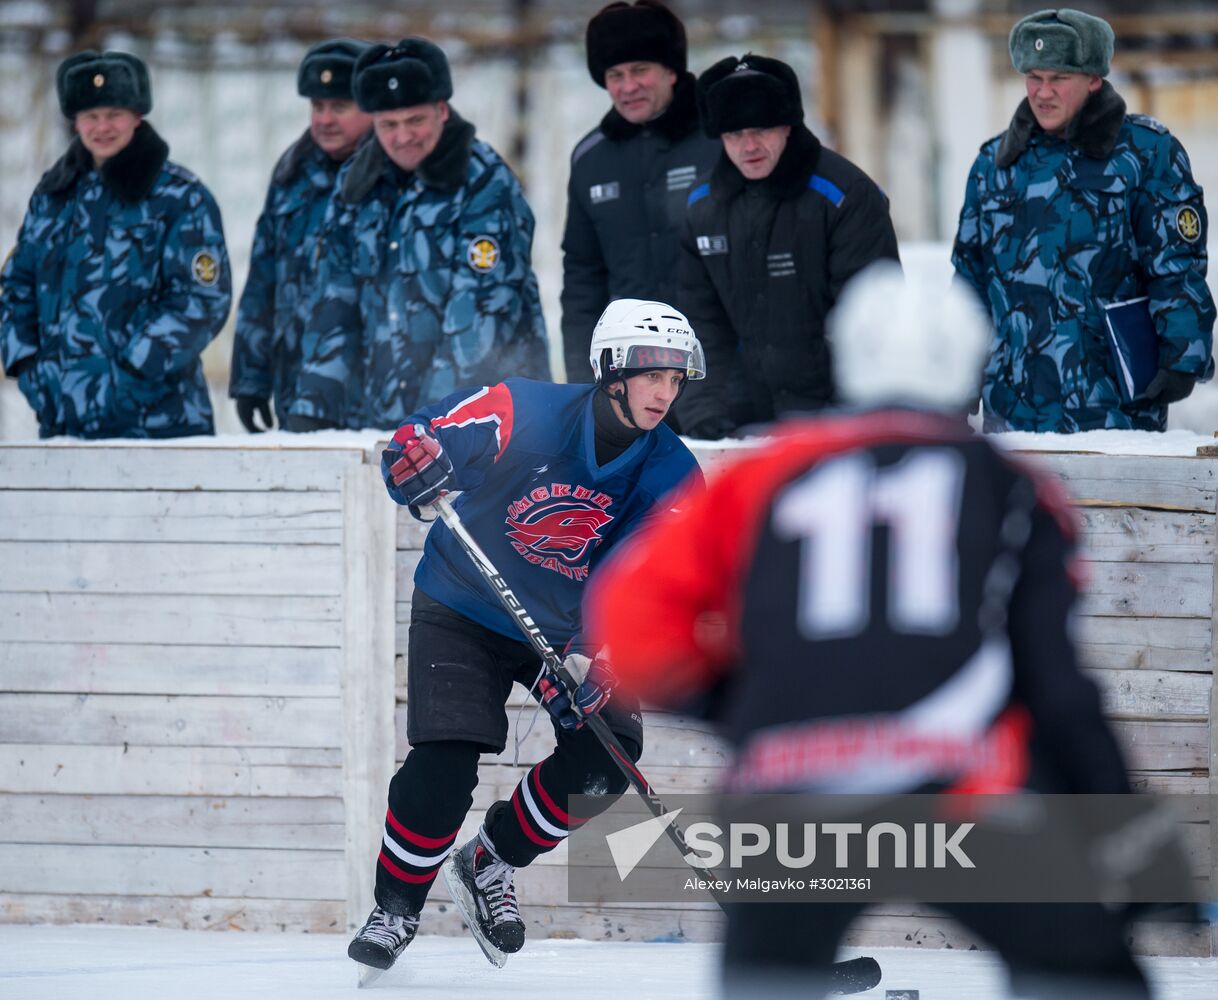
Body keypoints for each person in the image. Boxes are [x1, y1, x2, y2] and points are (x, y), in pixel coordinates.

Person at [587, 264, 1154, 999]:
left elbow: (630, 621)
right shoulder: (1013, 485)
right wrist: (1128, 837)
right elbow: (1058, 687)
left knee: (769, 981)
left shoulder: (766, 473)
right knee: (1091, 974)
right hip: (960, 790)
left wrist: (746, 711)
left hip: (789, 794)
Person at [345, 299, 705, 974]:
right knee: (446, 763)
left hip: (563, 631)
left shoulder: (673, 476)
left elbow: (659, 588)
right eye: (651, 373)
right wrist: (415, 461)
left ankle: (491, 859)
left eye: (676, 377)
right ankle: (396, 906)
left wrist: (606, 658)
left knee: (609, 757)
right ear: (612, 371)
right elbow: (425, 436)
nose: (665, 391)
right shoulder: (526, 410)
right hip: (465, 605)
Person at [952, 8, 1215, 433]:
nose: (1043, 92)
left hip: (1110, 408)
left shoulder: (1145, 153)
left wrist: (1184, 354)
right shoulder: (994, 164)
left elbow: (1175, 265)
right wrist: (957, 370)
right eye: (1034, 77)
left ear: (1094, 79)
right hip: (1011, 412)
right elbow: (969, 279)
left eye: (1058, 79)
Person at [291, 37, 550, 431]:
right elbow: (334, 303)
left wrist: (436, 422)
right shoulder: (357, 185)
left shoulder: (484, 184)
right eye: (388, 125)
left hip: (485, 425)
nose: (403, 137)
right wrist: (315, 403)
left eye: (415, 121)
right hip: (384, 426)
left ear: (442, 111)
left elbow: (478, 319)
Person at [0, 50, 231, 439]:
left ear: (137, 116)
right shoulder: (53, 196)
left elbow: (201, 301)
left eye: (114, 115)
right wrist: (27, 368)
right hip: (63, 425)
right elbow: (17, 285)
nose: (102, 127)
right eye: (91, 116)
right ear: (75, 122)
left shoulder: (179, 197)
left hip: (160, 426)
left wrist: (132, 374)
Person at [676, 53, 899, 441]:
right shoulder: (702, 207)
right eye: (733, 135)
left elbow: (873, 319)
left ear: (787, 126)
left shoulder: (845, 196)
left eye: (760, 129)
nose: (749, 146)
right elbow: (699, 324)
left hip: (835, 423)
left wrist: (854, 417)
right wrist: (703, 409)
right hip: (741, 426)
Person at [560, 0, 719, 392]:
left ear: (671, 70)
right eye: (615, 74)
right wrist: (585, 384)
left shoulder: (723, 142)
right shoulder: (590, 159)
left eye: (641, 70)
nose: (628, 86)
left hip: (720, 372)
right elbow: (583, 279)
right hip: (633, 384)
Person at [229, 39, 372, 433]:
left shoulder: (390, 172)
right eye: (317, 106)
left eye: (339, 107)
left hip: (371, 396)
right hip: (297, 390)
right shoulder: (293, 174)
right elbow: (263, 282)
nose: (325, 119)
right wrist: (251, 377)